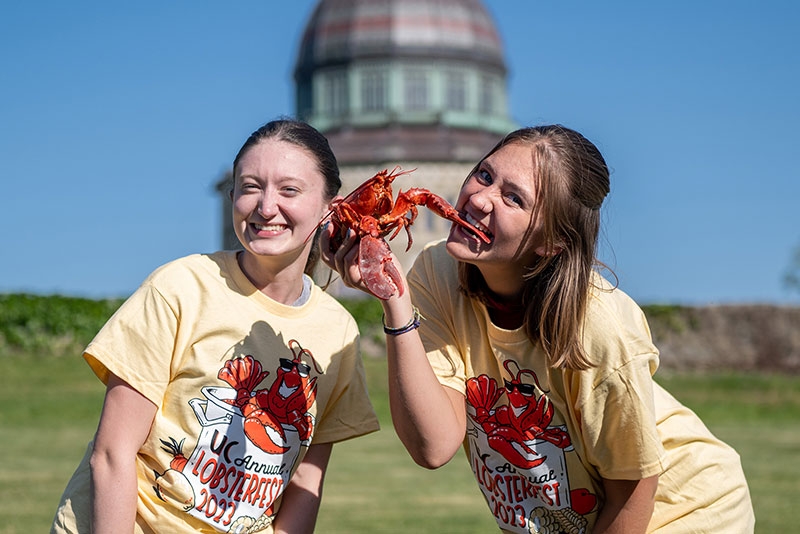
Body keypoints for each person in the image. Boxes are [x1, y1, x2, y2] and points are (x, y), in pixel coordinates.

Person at [322, 125, 754, 533]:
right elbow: (433, 446)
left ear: (551, 241)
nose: (481, 198)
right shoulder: (437, 271)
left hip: (689, 510)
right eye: (484, 174)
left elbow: (634, 488)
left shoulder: (600, 327)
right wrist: (395, 300)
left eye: (513, 198)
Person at [51, 118, 380, 534]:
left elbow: (303, 482)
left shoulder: (339, 333)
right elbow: (113, 454)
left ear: (330, 208)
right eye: (250, 187)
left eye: (289, 190)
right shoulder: (180, 287)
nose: (266, 207)